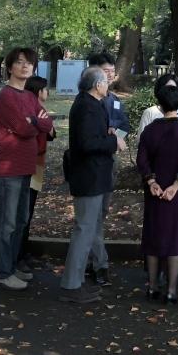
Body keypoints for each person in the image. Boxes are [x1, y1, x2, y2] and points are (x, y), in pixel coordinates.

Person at [0, 47, 53, 292]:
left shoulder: (29, 97)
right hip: (8, 169)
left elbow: (47, 123)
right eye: (19, 62)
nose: (25, 66)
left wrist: (33, 121)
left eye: (29, 63)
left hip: (26, 168)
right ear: (10, 67)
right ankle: (2, 273)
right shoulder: (5, 96)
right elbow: (24, 129)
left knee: (20, 220)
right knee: (7, 224)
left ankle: (11, 266)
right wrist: (35, 123)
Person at [61, 67, 125, 304]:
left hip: (93, 176)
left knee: (87, 230)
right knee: (84, 230)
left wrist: (107, 134)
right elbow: (87, 143)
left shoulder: (88, 103)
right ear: (98, 85)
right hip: (89, 177)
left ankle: (76, 282)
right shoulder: (87, 106)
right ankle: (71, 285)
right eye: (105, 81)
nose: (108, 84)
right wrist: (113, 141)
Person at [137, 77, 178, 303]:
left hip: (154, 190)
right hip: (177, 191)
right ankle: (171, 290)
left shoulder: (150, 130)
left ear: (160, 105)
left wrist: (151, 182)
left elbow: (142, 159)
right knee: (176, 240)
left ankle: (152, 286)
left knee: (153, 237)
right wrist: (176, 185)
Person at [15, 75, 53, 276]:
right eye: (46, 89)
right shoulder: (31, 110)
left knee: (28, 212)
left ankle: (23, 251)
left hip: (37, 165)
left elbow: (51, 132)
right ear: (39, 92)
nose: (48, 93)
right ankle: (17, 255)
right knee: (24, 212)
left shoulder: (40, 110)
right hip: (29, 165)